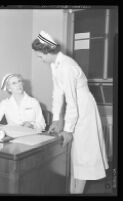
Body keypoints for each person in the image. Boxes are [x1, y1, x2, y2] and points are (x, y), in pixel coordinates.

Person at [32, 31, 109, 194]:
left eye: (40, 56)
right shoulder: (55, 65)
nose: (41, 60)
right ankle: (72, 190)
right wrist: (55, 119)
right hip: (74, 107)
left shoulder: (67, 67)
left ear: (47, 51)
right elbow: (57, 94)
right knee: (73, 154)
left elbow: (73, 102)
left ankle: (76, 192)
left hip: (83, 109)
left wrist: (67, 130)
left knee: (83, 154)